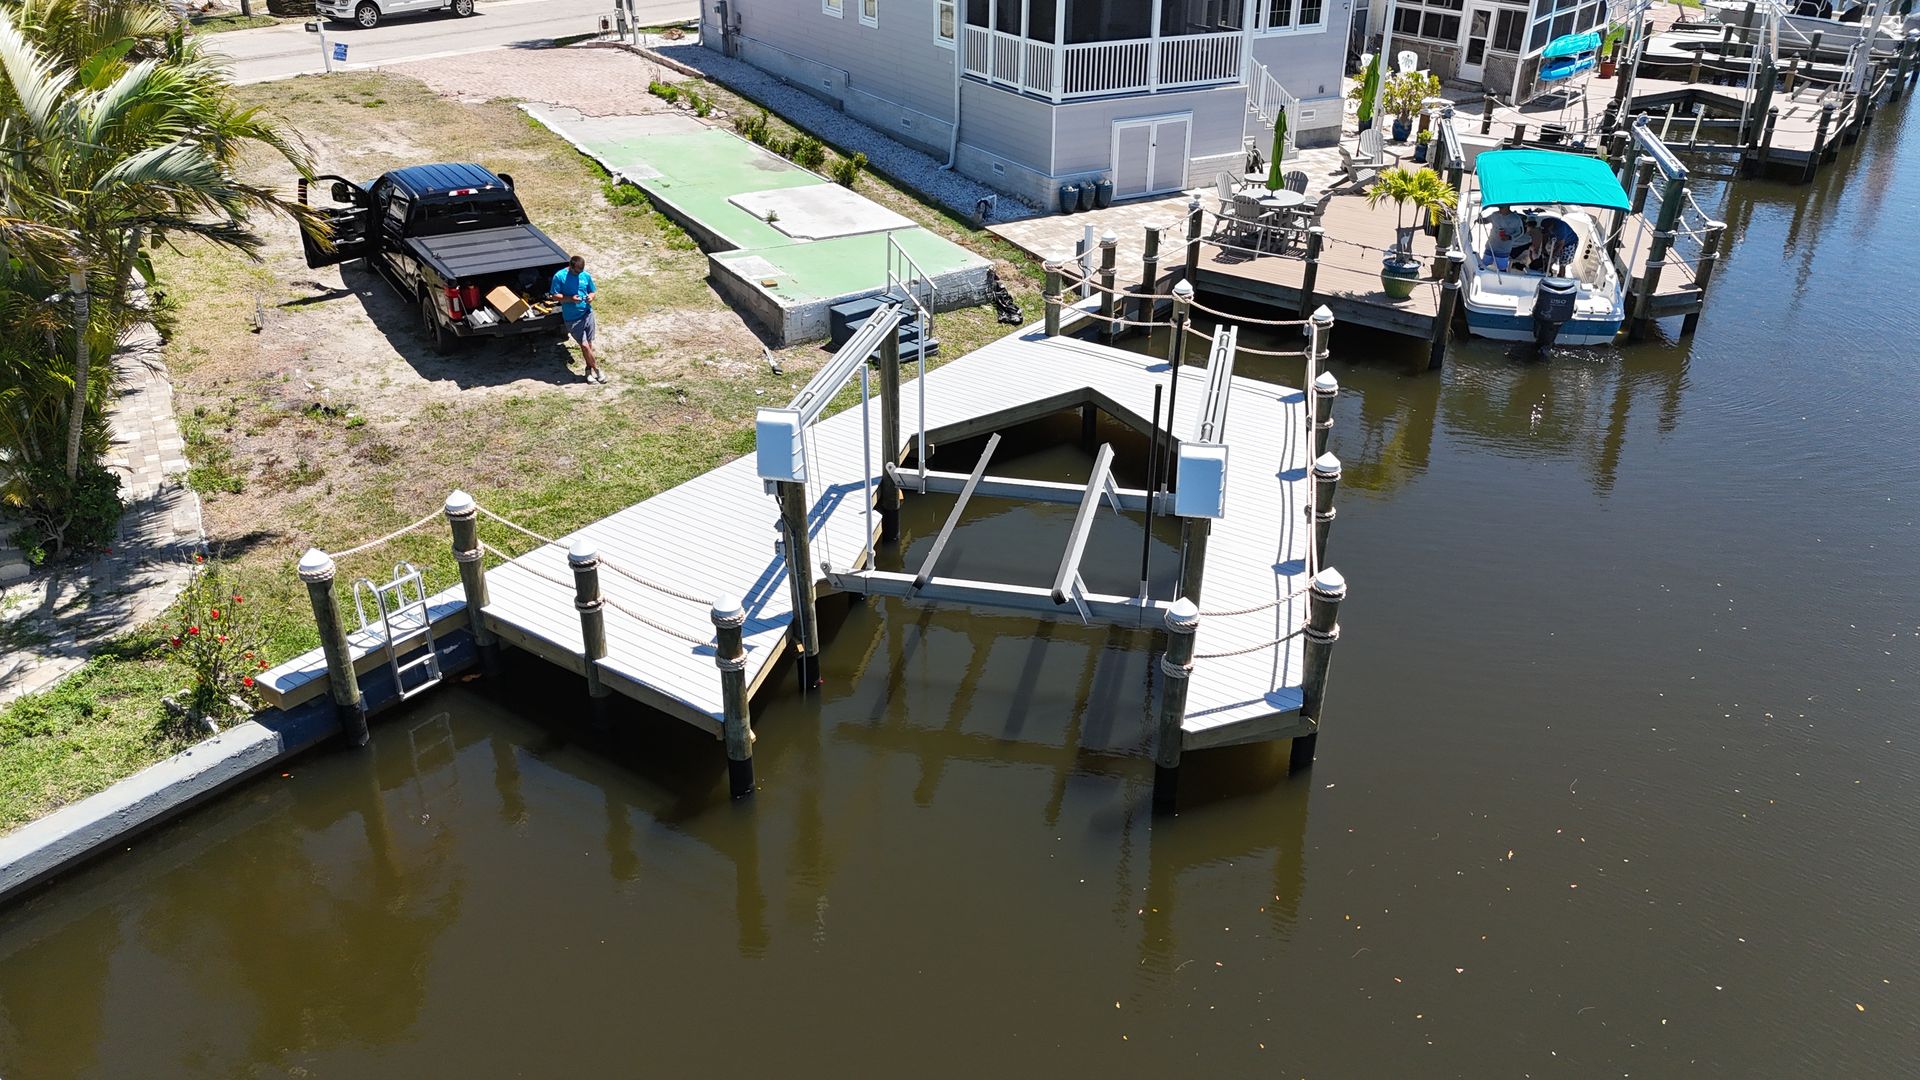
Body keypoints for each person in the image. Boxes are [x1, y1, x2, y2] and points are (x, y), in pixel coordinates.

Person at [550, 255, 603, 383]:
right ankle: (598, 370)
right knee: (584, 346)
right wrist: (570, 299)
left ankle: (588, 371)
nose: (578, 274)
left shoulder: (585, 275)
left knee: (588, 345)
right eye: (576, 271)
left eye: (580, 271)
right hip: (572, 318)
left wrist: (591, 297)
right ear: (570, 266)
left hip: (587, 314)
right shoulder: (559, 276)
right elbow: (554, 296)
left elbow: (592, 291)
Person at [1480, 206, 1527, 272]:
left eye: (1501, 207)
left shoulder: (1516, 219)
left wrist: (1509, 237)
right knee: (1483, 265)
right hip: (1490, 246)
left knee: (1502, 269)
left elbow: (1520, 232)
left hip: (1503, 249)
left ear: (1507, 207)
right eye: (1499, 207)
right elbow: (1486, 220)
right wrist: (1480, 220)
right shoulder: (1495, 215)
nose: (1499, 209)